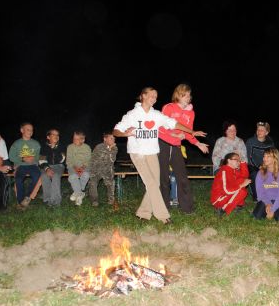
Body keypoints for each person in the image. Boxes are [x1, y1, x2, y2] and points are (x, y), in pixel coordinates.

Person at [113, 86, 206, 224]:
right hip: (137, 152)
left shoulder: (156, 115)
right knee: (151, 183)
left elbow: (174, 124)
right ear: (143, 96)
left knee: (155, 183)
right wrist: (125, 133)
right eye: (151, 95)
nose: (154, 99)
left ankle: (143, 213)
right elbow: (116, 130)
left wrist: (191, 132)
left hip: (152, 152)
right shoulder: (132, 115)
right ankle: (163, 215)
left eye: (156, 96)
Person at [158, 83, 209, 214]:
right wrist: (173, 134)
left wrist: (198, 144)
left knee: (182, 177)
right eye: (184, 95)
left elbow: (188, 133)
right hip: (163, 144)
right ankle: (163, 208)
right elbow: (161, 127)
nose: (188, 97)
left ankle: (187, 208)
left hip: (176, 146)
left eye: (189, 95)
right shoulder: (169, 107)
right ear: (178, 95)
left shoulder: (190, 113)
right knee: (164, 178)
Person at [9, 122, 42, 210]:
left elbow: (37, 157)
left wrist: (34, 159)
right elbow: (11, 157)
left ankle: (27, 197)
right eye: (28, 129)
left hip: (32, 165)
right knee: (18, 179)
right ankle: (20, 202)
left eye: (32, 130)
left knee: (37, 176)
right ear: (22, 130)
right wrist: (23, 159)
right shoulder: (16, 143)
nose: (30, 131)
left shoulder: (36, 143)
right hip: (20, 165)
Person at [252, 147, 279, 221]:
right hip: (266, 199)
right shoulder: (260, 173)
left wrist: (272, 210)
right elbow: (260, 193)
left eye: (268, 156)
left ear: (275, 158)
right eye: (264, 156)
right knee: (257, 216)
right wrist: (268, 204)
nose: (264, 158)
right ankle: (269, 210)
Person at [245, 121, 275, 201]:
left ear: (266, 132)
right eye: (258, 129)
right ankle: (256, 196)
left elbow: (272, 156)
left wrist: (269, 166)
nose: (259, 132)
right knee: (255, 175)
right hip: (252, 165)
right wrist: (259, 166)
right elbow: (249, 157)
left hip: (266, 164)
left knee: (274, 173)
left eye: (262, 130)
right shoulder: (250, 141)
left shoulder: (270, 142)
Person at [89, 131, 118, 208]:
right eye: (111, 138)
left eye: (114, 138)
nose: (113, 140)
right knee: (92, 183)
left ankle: (111, 200)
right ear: (105, 139)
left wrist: (111, 149)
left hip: (107, 170)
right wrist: (109, 149)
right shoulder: (99, 146)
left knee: (111, 183)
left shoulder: (114, 148)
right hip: (96, 169)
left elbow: (112, 160)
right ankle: (94, 201)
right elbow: (100, 157)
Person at [38, 128, 67, 207]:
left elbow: (62, 159)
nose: (56, 136)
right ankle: (47, 198)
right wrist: (47, 168)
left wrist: (54, 149)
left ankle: (55, 201)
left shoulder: (61, 146)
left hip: (59, 165)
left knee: (55, 175)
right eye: (53, 134)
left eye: (57, 135)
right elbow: (41, 160)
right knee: (44, 176)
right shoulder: (44, 146)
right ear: (48, 137)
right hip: (47, 165)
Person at [66, 130, 92, 206]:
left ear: (82, 140)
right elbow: (69, 160)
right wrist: (76, 168)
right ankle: (80, 194)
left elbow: (89, 160)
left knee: (86, 175)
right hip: (73, 166)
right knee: (73, 176)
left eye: (77, 139)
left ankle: (76, 192)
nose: (74, 140)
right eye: (74, 138)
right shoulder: (70, 147)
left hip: (85, 166)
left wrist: (82, 168)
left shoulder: (87, 147)